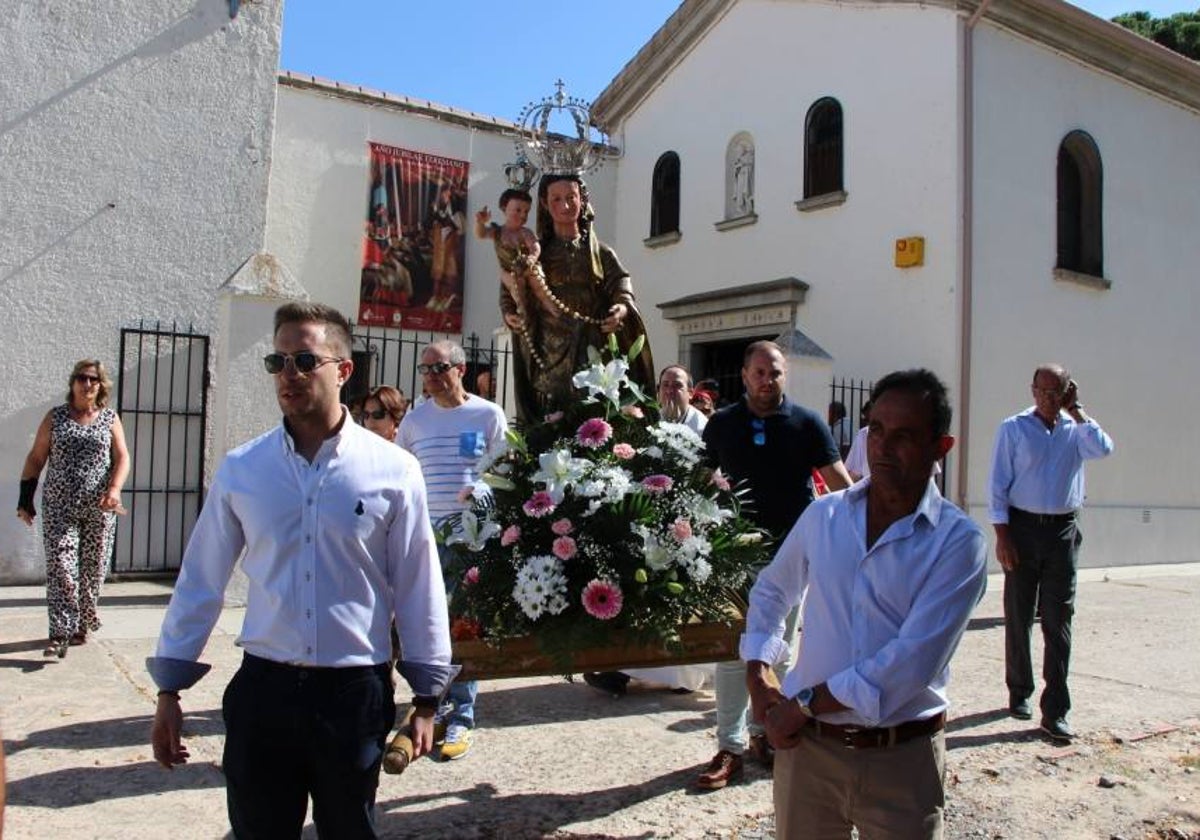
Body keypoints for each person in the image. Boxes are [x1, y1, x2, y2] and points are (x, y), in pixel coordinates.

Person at [148, 302, 454, 838]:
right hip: (264, 690)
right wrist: (170, 689)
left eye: (305, 360)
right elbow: (202, 576)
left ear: (344, 369)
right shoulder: (244, 469)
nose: (288, 374)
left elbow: (418, 583)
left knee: (348, 830)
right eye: (279, 361)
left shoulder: (394, 471)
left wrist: (426, 698)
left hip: (353, 692)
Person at [744, 369, 988, 839]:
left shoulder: (957, 543)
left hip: (901, 760)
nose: (883, 446)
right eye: (876, 430)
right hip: (809, 756)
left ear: (941, 447)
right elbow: (773, 590)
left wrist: (805, 703)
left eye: (904, 436)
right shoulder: (825, 515)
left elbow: (910, 664)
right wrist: (759, 674)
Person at [695, 340, 852, 789]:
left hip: (793, 553)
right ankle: (731, 746)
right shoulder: (722, 425)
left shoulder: (807, 424)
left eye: (775, 372)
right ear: (744, 375)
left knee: (777, 647)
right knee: (733, 649)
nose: (768, 380)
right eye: (759, 372)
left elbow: (840, 484)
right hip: (732, 553)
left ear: (786, 375)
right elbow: (699, 479)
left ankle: (767, 733)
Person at [989, 364, 1113, 742]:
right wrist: (1002, 535)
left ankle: (1055, 709)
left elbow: (1105, 449)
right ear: (1032, 390)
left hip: (1062, 532)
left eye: (1056, 391)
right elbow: (998, 484)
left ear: (1067, 392)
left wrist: (1077, 411)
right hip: (1023, 529)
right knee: (1019, 613)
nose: (1047, 398)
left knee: (1058, 618)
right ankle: (1019, 689)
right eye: (1042, 391)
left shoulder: (1077, 431)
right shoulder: (1013, 428)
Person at [397, 340, 508, 760]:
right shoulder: (414, 420)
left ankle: (461, 714)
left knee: (464, 626)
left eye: (438, 368)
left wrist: (481, 492)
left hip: (471, 538)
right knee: (427, 626)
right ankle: (433, 704)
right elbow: (401, 475)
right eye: (425, 370)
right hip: (424, 538)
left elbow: (504, 470)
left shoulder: (487, 414)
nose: (430, 377)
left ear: (460, 369)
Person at [583, 364, 711, 697]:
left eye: (678, 385)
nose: (670, 390)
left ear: (691, 391)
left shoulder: (704, 426)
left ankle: (683, 676)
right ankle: (620, 668)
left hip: (685, 523)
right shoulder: (648, 422)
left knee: (676, 597)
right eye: (665, 384)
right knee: (636, 592)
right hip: (647, 517)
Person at [503, 173, 655, 422]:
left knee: (596, 412)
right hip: (549, 348)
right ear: (544, 203)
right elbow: (510, 286)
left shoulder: (601, 252)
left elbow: (620, 282)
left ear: (582, 200)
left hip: (594, 344)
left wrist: (622, 307)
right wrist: (509, 312)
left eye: (571, 197)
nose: (564, 206)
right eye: (556, 199)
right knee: (552, 417)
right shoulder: (535, 253)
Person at [17, 359, 129, 658]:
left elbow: (122, 458)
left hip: (99, 508)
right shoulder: (56, 418)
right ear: (73, 383)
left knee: (92, 572)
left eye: (93, 379)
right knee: (62, 567)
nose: (87, 383)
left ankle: (81, 623)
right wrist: (25, 498)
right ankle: (60, 632)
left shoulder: (109, 419)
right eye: (82, 378)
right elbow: (36, 457)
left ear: (100, 385)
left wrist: (114, 490)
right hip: (58, 507)